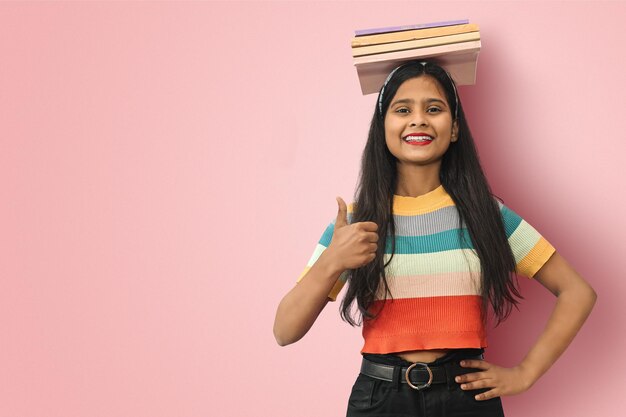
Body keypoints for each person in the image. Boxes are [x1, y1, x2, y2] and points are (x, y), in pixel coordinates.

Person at [273, 60, 596, 417]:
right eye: (402, 109)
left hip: (466, 398)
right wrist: (332, 260)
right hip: (380, 400)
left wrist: (525, 374)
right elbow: (285, 330)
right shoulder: (353, 223)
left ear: (454, 128)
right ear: (383, 127)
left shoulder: (486, 215)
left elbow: (578, 292)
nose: (419, 120)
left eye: (434, 108)